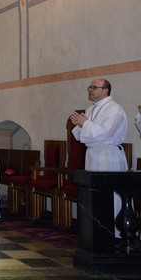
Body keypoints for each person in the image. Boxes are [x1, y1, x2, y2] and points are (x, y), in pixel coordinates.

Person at [70, 78, 128, 235]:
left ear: (105, 90)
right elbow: (79, 135)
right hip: (93, 155)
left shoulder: (114, 109)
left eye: (94, 87)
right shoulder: (91, 109)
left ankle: (115, 231)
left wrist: (85, 124)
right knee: (93, 194)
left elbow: (106, 132)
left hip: (108, 156)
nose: (90, 89)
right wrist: (81, 123)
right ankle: (97, 229)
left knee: (110, 194)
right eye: (90, 87)